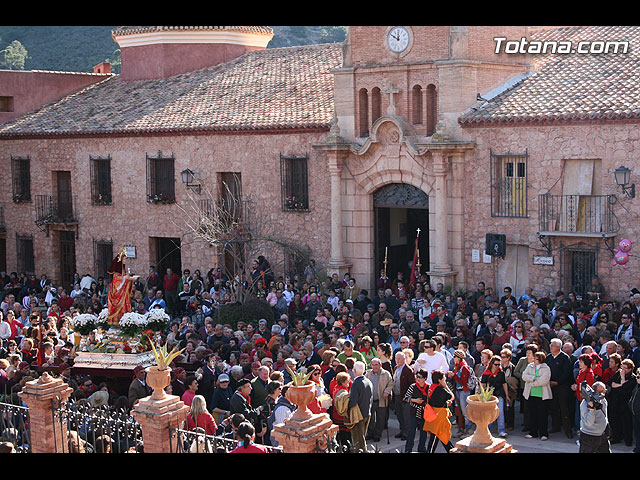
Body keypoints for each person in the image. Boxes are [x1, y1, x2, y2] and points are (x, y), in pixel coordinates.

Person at [546, 337, 574, 438]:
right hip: (550, 386)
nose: (551, 347)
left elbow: (567, 373)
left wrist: (557, 382)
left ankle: (568, 430)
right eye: (551, 345)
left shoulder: (564, 357)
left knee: (564, 408)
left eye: (553, 345)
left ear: (558, 347)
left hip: (562, 387)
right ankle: (555, 426)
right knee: (553, 407)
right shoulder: (548, 357)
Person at [522, 351, 552, 440]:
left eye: (536, 358)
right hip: (531, 394)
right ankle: (533, 432)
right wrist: (533, 378)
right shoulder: (530, 366)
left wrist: (532, 383)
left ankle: (543, 434)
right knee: (532, 414)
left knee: (542, 415)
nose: (534, 360)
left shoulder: (546, 368)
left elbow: (544, 380)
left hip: (542, 395)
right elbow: (524, 376)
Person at [423, 370, 455, 453]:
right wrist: (445, 386)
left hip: (433, 414)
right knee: (439, 435)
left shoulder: (430, 387)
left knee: (439, 435)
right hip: (439, 417)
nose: (445, 380)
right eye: (443, 379)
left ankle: (451, 450)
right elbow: (452, 396)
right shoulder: (441, 390)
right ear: (439, 380)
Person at [106, 248, 139, 326]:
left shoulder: (123, 270)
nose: (125, 261)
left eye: (125, 259)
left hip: (124, 294)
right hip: (118, 294)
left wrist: (129, 278)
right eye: (124, 259)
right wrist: (126, 278)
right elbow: (117, 283)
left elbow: (125, 278)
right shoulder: (116, 273)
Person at [364, 357, 393, 442]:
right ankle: (370, 433)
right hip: (371, 400)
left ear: (380, 365)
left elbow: (391, 384)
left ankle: (377, 434)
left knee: (380, 418)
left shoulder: (386, 374)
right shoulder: (368, 373)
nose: (374, 367)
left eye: (376, 365)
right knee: (370, 418)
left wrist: (387, 392)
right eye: (372, 365)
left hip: (381, 399)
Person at [608, 358, 636, 446]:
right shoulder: (618, 374)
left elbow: (624, 389)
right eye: (622, 367)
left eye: (625, 368)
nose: (622, 370)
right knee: (615, 420)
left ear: (630, 369)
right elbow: (611, 383)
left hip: (625, 403)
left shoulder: (633, 378)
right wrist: (620, 384)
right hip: (616, 401)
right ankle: (616, 437)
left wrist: (622, 379)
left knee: (626, 422)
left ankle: (628, 440)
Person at [480, 354, 509, 438]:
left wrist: (507, 395)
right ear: (491, 364)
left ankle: (501, 431)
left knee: (500, 413)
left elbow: (504, 384)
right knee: (490, 414)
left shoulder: (501, 373)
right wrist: (482, 396)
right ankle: (488, 430)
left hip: (499, 395)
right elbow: (483, 385)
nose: (497, 366)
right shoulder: (486, 373)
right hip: (489, 397)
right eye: (496, 364)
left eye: (499, 364)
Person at [347, 360, 373, 452]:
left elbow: (353, 401)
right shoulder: (368, 381)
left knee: (358, 441)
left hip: (358, 416)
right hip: (367, 413)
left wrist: (346, 408)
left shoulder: (356, 383)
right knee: (362, 437)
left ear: (354, 371)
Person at [578, 381, 610, 453]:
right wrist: (591, 410)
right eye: (601, 392)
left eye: (604, 391)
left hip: (602, 436)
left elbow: (605, 415)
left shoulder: (603, 400)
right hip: (588, 437)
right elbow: (588, 423)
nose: (603, 393)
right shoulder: (584, 404)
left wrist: (607, 428)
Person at [448, 349, 474, 436]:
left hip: (464, 391)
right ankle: (461, 428)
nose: (453, 358)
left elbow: (464, 382)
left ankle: (468, 429)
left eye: (455, 356)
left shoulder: (464, 367)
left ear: (459, 358)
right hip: (458, 390)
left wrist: (454, 376)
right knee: (459, 411)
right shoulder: (457, 366)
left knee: (465, 411)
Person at [403, 368, 430, 452]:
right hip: (414, 411)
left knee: (424, 431)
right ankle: (408, 449)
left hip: (424, 412)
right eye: (417, 376)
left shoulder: (428, 387)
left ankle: (422, 447)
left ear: (425, 378)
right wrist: (415, 400)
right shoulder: (413, 386)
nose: (418, 379)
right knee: (411, 431)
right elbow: (406, 398)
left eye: (420, 377)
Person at [392, 349, 415, 441]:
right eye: (396, 359)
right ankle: (402, 430)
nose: (397, 361)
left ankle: (407, 433)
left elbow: (412, 384)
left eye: (399, 359)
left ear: (404, 359)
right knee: (399, 414)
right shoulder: (395, 368)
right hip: (397, 395)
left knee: (406, 415)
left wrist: (408, 396)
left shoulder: (408, 370)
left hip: (405, 396)